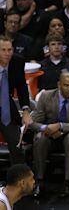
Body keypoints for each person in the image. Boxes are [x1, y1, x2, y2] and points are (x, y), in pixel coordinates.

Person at [30, 71, 69, 198]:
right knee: (40, 137)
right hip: (49, 136)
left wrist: (60, 126)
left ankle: (68, 183)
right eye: (66, 85)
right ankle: (39, 182)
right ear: (59, 85)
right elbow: (33, 123)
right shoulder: (46, 96)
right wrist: (47, 128)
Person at [0, 36, 32, 165]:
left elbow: (21, 87)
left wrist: (25, 110)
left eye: (10, 50)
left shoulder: (17, 62)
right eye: (3, 50)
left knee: (17, 146)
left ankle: (18, 181)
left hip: (7, 106)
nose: (7, 53)